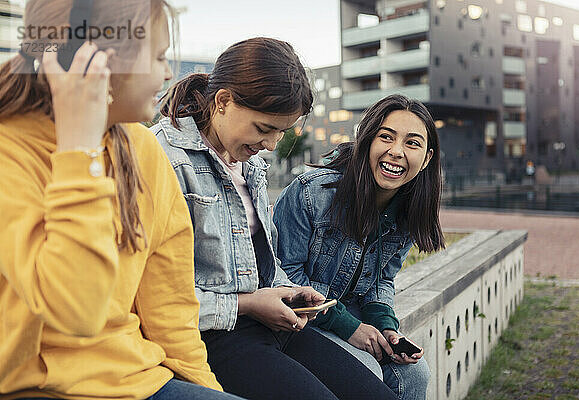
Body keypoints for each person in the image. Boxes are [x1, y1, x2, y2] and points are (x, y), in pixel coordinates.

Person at [0, 1, 242, 399]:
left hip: (135, 379)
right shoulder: (11, 150)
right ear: (97, 62)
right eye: (160, 57)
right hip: (32, 387)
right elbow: (76, 310)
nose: (167, 73)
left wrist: (208, 391)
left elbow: (171, 309)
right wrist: (79, 147)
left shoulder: (144, 150)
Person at [153, 37, 398, 400]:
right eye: (264, 128)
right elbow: (153, 294)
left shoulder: (250, 163)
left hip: (269, 325)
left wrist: (289, 291)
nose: (271, 144)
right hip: (210, 338)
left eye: (281, 132)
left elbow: (260, 263)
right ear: (223, 101)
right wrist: (247, 303)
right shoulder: (165, 158)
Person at [273, 94, 445, 400]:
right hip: (300, 321)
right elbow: (284, 278)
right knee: (367, 368)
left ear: (427, 158)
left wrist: (386, 328)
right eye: (386, 137)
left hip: (351, 315)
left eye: (412, 143)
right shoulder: (312, 193)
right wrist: (348, 326)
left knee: (416, 375)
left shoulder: (407, 212)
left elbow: (381, 280)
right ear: (367, 141)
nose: (396, 152)